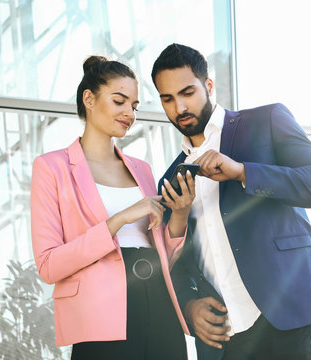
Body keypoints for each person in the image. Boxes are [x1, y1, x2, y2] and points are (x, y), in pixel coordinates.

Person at [151, 43, 311, 360]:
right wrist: (189, 306)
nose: (179, 108)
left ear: (208, 86)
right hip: (226, 340)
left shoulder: (265, 122)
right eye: (168, 99)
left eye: (187, 92)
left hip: (287, 314)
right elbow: (175, 264)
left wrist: (243, 172)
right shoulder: (170, 179)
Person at [31, 55, 196, 360]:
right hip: (101, 315)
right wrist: (118, 220)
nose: (129, 113)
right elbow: (49, 265)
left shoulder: (142, 169)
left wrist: (181, 214)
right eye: (119, 101)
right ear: (89, 99)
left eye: (134, 106)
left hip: (160, 304)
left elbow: (165, 251)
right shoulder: (51, 168)